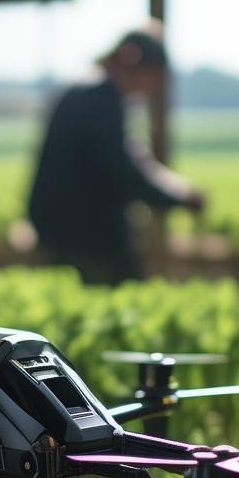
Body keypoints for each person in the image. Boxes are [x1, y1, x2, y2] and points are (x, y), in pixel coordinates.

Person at [28, 26, 204, 284]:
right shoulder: (99, 96)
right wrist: (176, 198)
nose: (151, 90)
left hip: (69, 228)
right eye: (151, 79)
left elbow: (130, 159)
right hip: (83, 232)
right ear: (130, 60)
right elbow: (123, 169)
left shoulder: (90, 90)